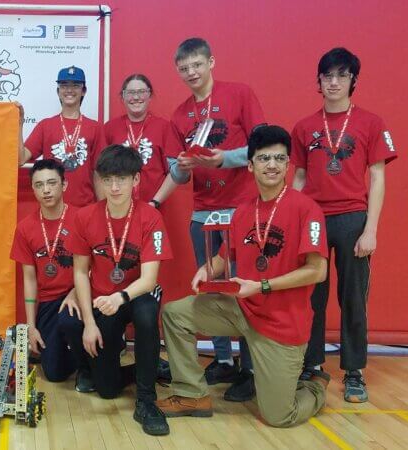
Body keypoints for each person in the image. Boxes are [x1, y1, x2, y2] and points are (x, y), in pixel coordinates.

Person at [157, 125, 329, 427]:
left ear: (289, 164)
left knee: (278, 416)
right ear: (250, 165)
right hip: (242, 309)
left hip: (281, 324)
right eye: (264, 158)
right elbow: (225, 257)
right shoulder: (243, 211)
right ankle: (192, 394)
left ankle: (314, 385)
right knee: (174, 313)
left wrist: (261, 285)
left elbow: (318, 270)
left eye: (279, 158)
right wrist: (205, 269)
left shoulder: (306, 208)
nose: (272, 165)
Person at [291, 47, 398, 403]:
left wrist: (371, 229)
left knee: (352, 297)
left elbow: (379, 178)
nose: (333, 81)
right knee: (312, 296)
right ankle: (312, 363)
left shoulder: (371, 122)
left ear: (353, 80)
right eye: (327, 76)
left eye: (341, 75)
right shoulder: (304, 127)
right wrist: (290, 219)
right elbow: (301, 177)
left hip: (353, 217)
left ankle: (354, 371)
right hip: (314, 218)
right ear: (318, 81)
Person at [168, 37, 266, 400]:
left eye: (197, 64)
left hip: (243, 207)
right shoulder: (180, 115)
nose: (191, 72)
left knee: (243, 285)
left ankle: (251, 366)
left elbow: (263, 145)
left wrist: (224, 159)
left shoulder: (239, 93)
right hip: (203, 210)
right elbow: (178, 175)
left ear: (211, 61)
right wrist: (180, 167)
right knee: (210, 287)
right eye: (184, 68)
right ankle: (223, 360)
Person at [64, 145, 172, 436]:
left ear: (136, 180)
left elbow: (150, 279)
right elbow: (79, 272)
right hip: (103, 299)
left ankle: (147, 401)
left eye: (122, 179)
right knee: (107, 390)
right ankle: (143, 369)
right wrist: (88, 323)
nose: (114, 186)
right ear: (99, 179)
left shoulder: (150, 217)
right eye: (108, 179)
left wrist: (121, 296)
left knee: (148, 315)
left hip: (136, 294)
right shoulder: (85, 217)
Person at [10, 159, 82, 384]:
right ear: (33, 188)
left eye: (52, 183)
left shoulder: (82, 219)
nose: (46, 190)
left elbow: (96, 267)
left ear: (64, 185)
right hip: (49, 301)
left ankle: (94, 367)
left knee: (70, 320)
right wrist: (31, 326)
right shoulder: (25, 228)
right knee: (53, 373)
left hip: (80, 296)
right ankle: (82, 360)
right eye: (39, 185)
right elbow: (30, 280)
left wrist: (76, 293)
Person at [19, 66, 104, 207]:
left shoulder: (95, 128)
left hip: (85, 207)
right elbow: (20, 159)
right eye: (64, 86)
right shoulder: (45, 126)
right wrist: (20, 125)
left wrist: (103, 208)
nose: (69, 90)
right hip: (53, 208)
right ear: (58, 92)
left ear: (83, 91)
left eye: (75, 86)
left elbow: (99, 173)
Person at [102, 73, 178, 208]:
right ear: (123, 97)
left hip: (154, 208)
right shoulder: (110, 128)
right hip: (118, 208)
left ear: (150, 95)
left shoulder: (164, 128)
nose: (136, 97)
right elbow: (101, 172)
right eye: (130, 93)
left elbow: (175, 172)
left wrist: (155, 202)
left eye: (142, 92)